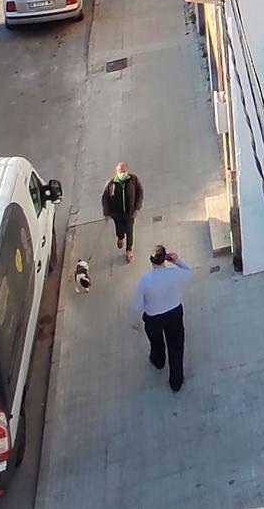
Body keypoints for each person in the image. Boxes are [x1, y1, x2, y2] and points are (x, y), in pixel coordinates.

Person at [133, 246, 191, 392]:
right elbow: (190, 273)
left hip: (153, 318)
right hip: (174, 313)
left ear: (151, 260)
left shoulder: (145, 280)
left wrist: (135, 320)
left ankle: (159, 361)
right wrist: (177, 261)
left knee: (156, 341)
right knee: (176, 346)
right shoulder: (175, 274)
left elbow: (137, 304)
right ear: (165, 258)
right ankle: (176, 381)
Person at [101, 162, 144, 262]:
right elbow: (105, 198)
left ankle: (129, 250)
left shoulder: (134, 180)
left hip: (130, 213)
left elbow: (140, 192)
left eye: (124, 171)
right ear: (116, 172)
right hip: (116, 214)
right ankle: (120, 238)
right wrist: (106, 213)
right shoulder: (111, 184)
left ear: (127, 171)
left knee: (129, 231)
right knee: (119, 229)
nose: (122, 174)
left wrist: (137, 208)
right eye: (120, 172)